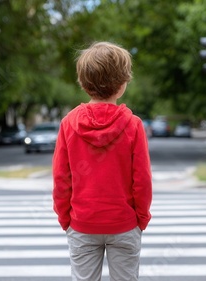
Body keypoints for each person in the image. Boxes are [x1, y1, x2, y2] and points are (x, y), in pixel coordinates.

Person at [52, 41, 152, 281]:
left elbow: (61, 178)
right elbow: (142, 178)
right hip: (124, 223)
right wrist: (141, 219)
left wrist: (66, 218)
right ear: (122, 85)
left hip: (82, 222)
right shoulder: (133, 125)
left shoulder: (69, 124)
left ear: (84, 83)